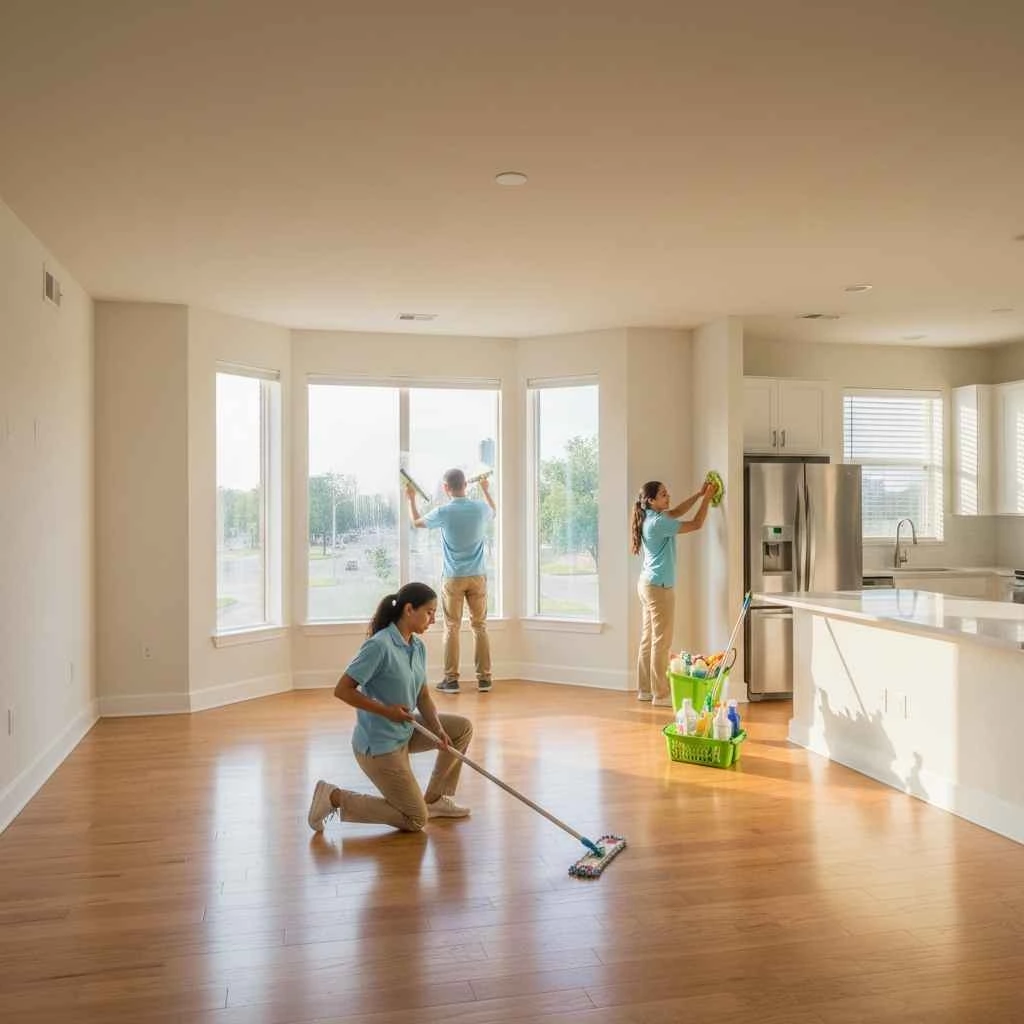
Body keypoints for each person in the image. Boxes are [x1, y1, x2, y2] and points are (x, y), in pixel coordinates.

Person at [306, 582, 474, 833]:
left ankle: (435, 799)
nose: (433, 619)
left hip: (404, 732)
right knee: (416, 819)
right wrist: (388, 712)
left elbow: (424, 695)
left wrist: (438, 730)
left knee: (461, 728)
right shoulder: (379, 645)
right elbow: (342, 690)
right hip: (379, 746)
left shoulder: (416, 647)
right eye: (429, 612)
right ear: (409, 609)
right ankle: (333, 797)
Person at [406, 468, 496, 694]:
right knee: (480, 626)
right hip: (477, 576)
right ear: (466, 484)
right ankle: (484, 679)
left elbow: (416, 522)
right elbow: (493, 510)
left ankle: (451, 680)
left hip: (453, 577)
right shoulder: (479, 508)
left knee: (452, 627)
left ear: (446, 488)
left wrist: (411, 499)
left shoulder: (444, 511)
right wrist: (486, 490)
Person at [631, 479, 715, 707]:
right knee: (662, 642)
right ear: (651, 500)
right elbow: (696, 523)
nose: (669, 497)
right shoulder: (658, 523)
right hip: (659, 588)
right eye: (664, 495)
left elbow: (677, 511)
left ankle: (645, 690)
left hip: (647, 584)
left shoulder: (651, 518)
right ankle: (661, 694)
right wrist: (707, 499)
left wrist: (698, 495)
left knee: (648, 640)